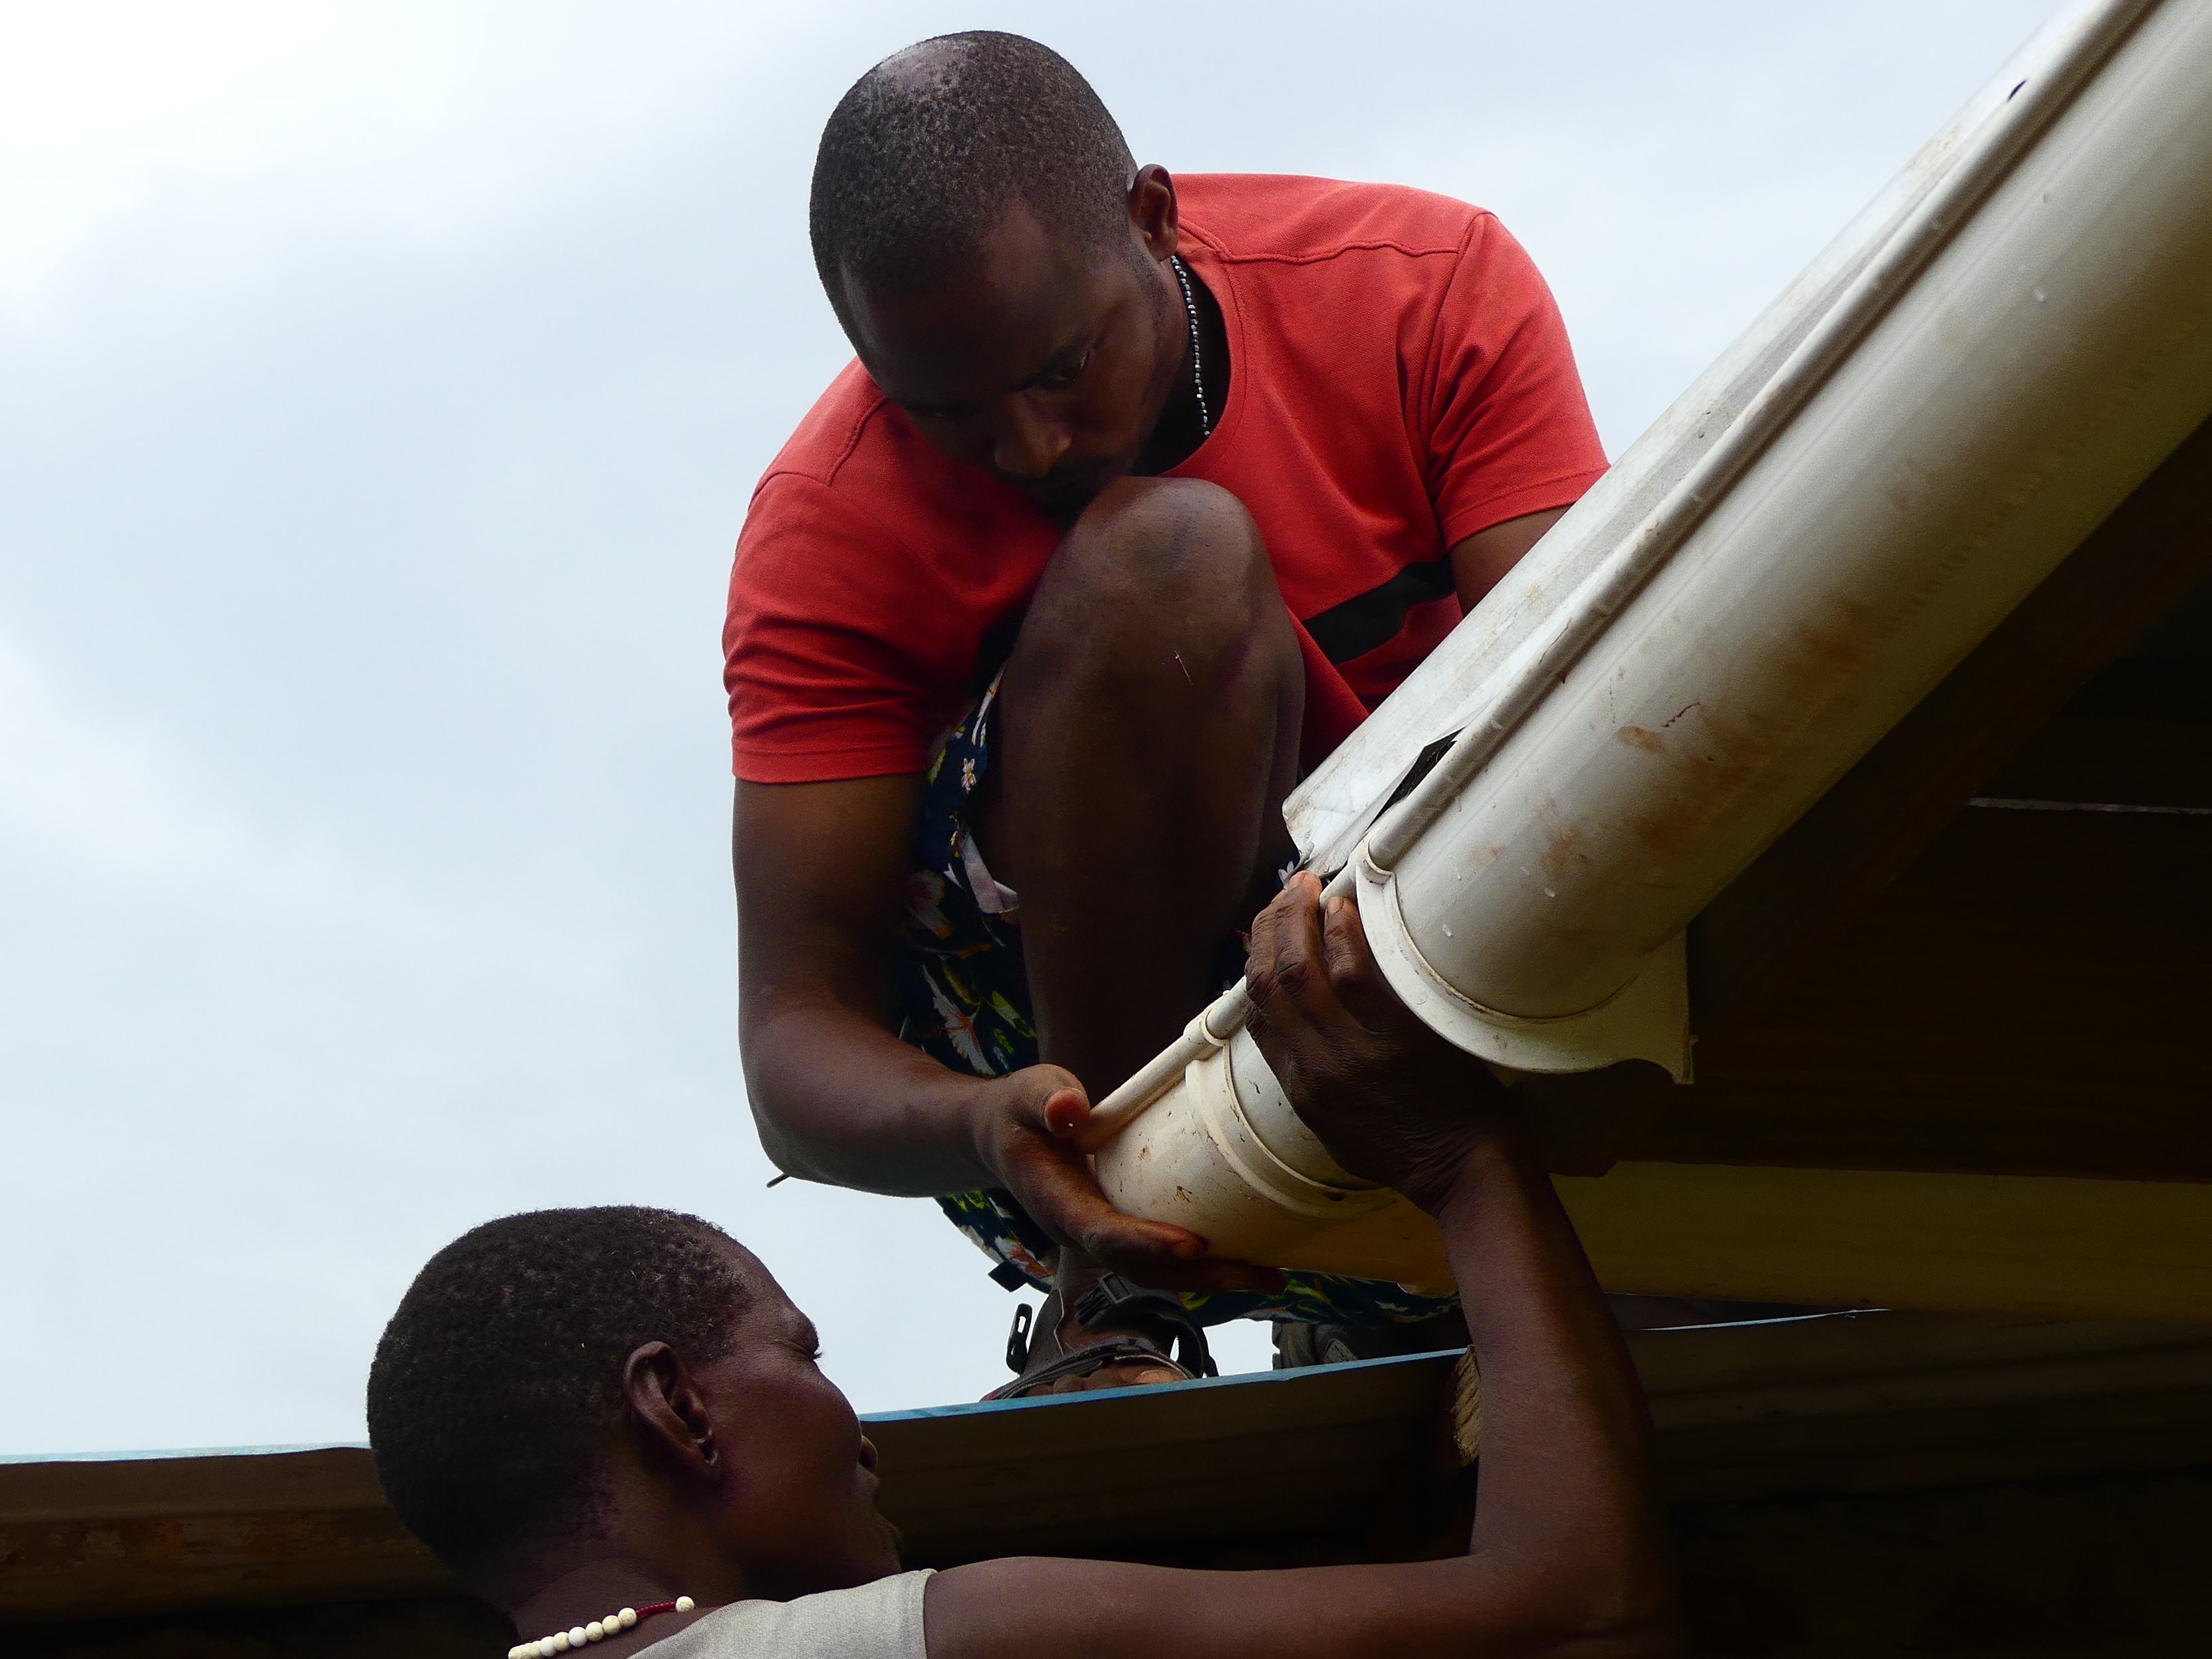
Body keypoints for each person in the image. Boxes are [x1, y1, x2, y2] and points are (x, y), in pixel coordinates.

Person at [729, 31, 1610, 1393]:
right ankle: (1116, 1301)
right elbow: (794, 1042)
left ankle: (1404, 1301)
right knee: (1166, 556)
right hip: (1062, 1095)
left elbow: (1580, 728)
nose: (1031, 448)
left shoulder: (1420, 291)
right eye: (947, 414)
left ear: (1153, 217)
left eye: (1060, 368)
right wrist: (982, 1126)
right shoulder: (827, 528)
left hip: (1428, 965)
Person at [367, 879, 1678, 1657]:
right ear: (678, 1408)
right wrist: (1462, 1161)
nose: (857, 1430)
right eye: (802, 1353)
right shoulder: (909, 1642)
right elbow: (1579, 1621)